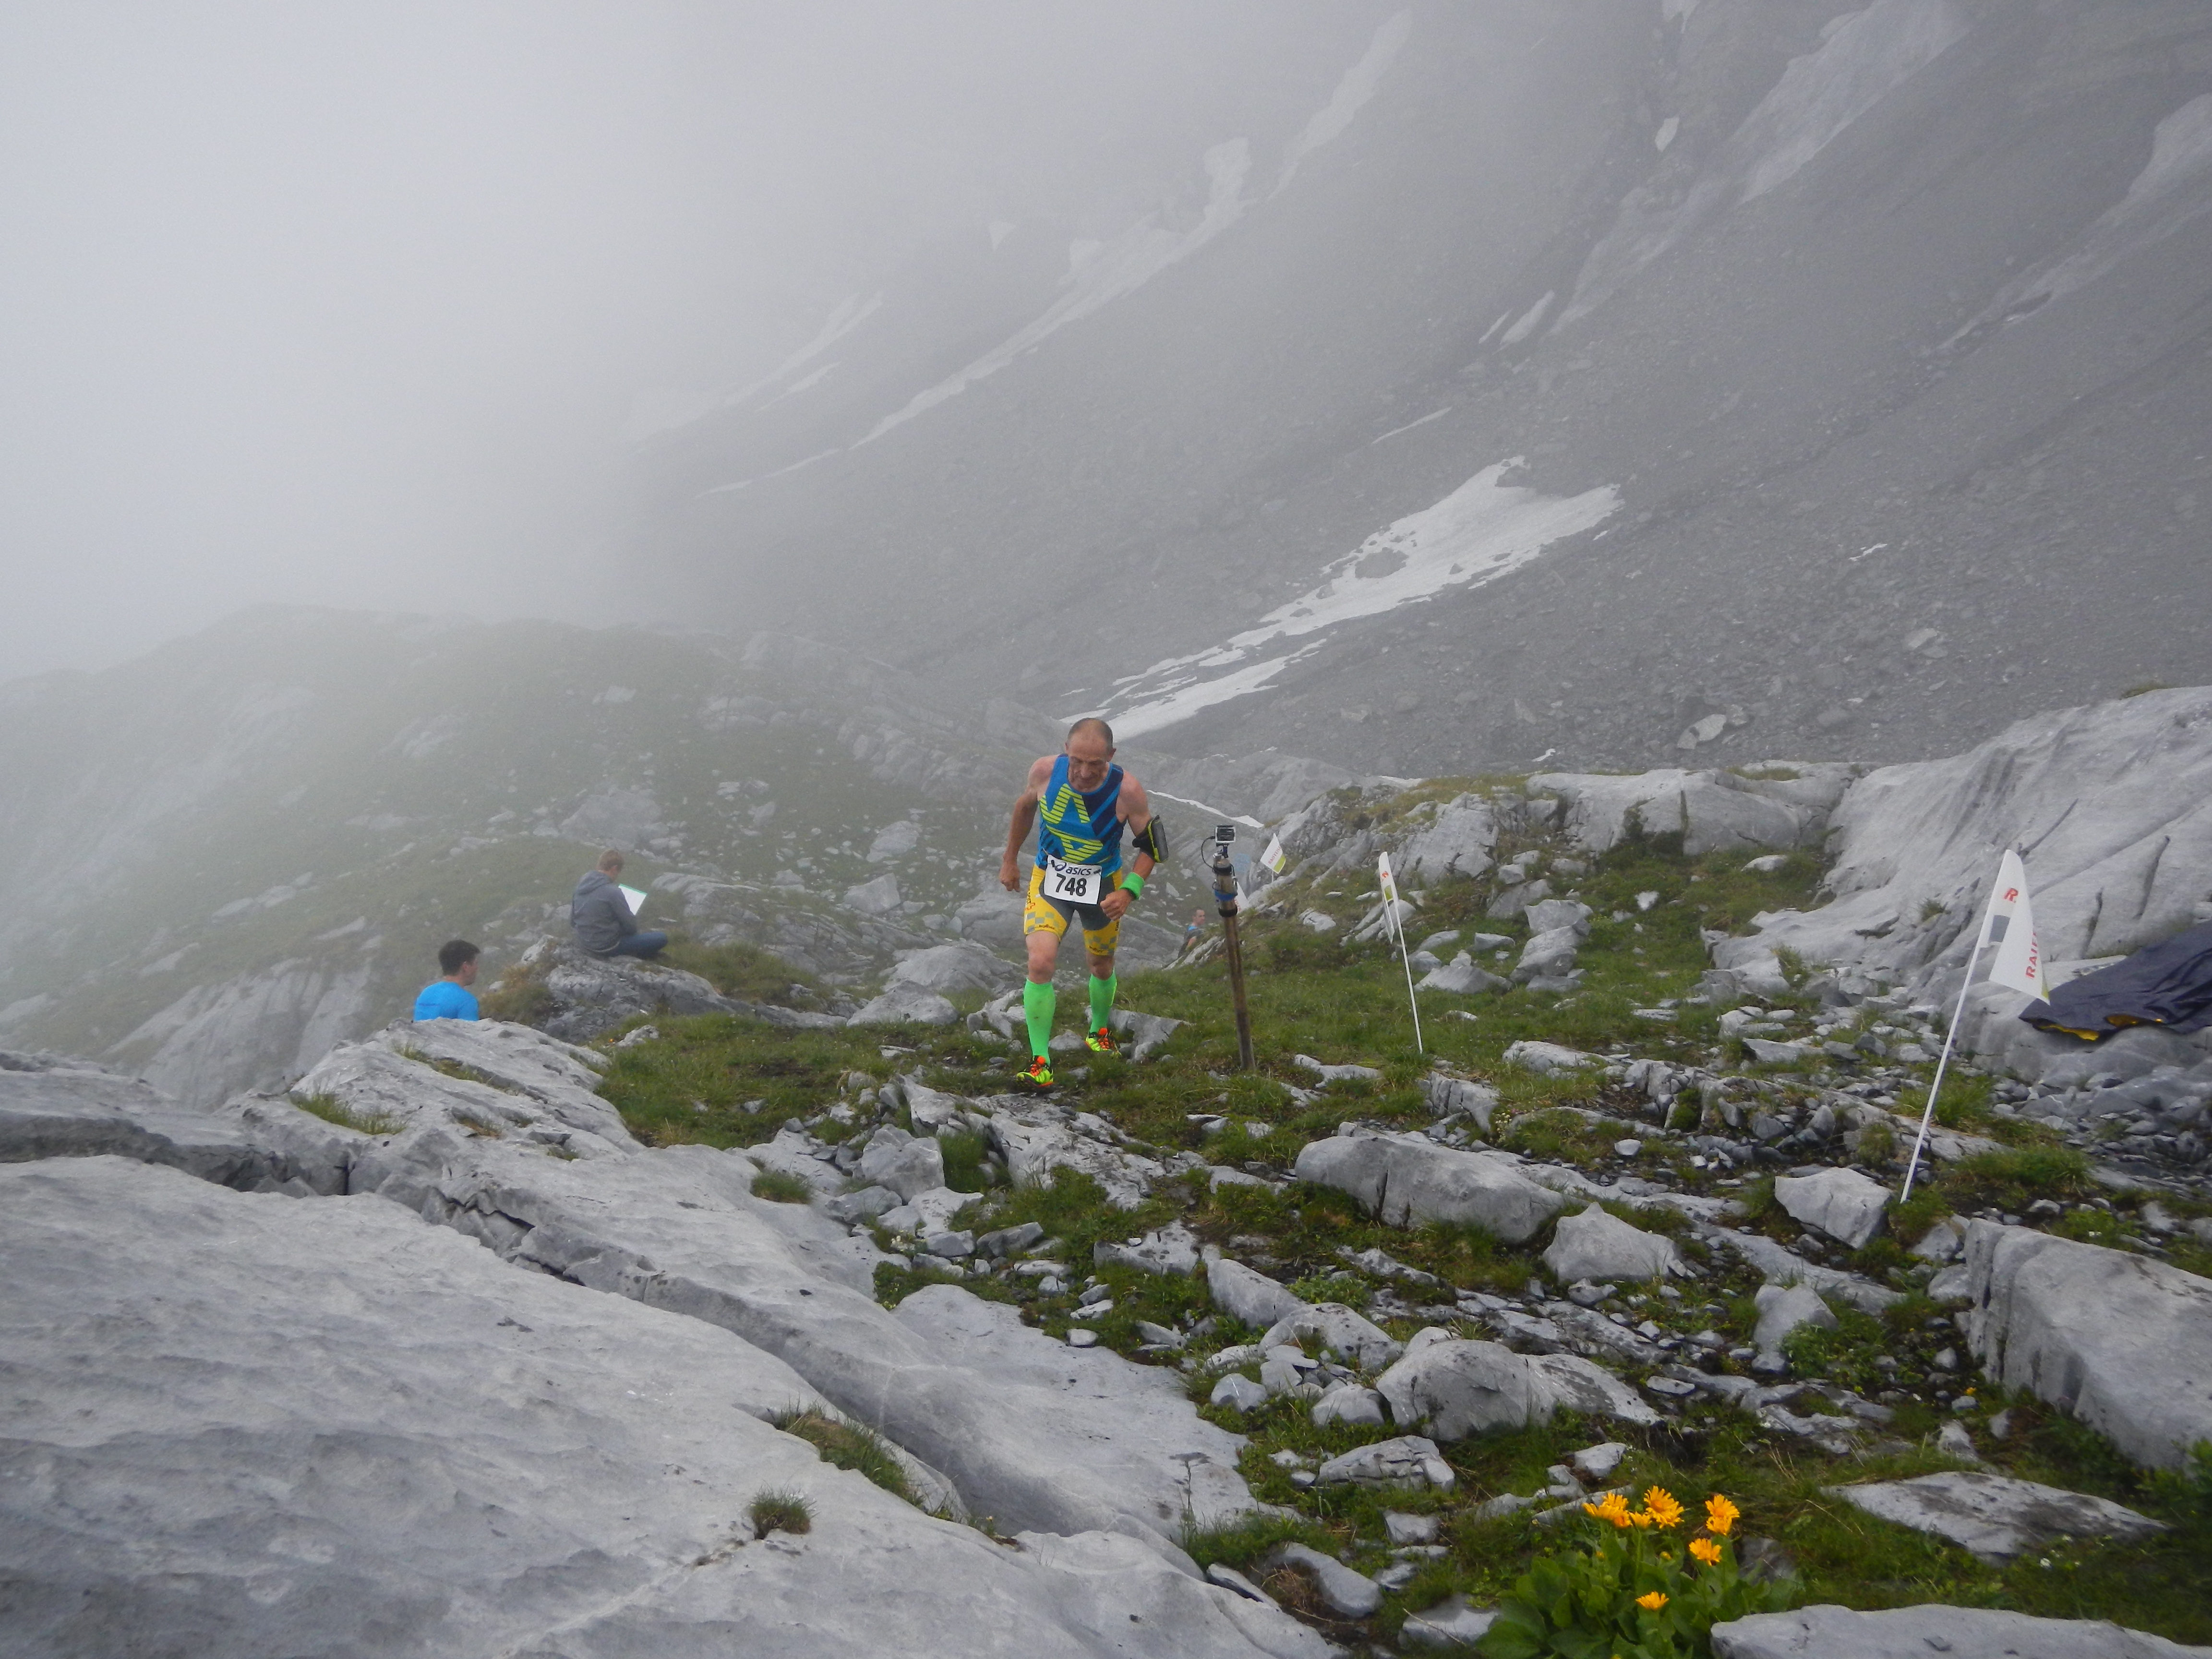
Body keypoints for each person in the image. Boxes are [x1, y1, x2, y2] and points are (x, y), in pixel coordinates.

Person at [997, 716, 1160, 1088]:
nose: (1085, 773)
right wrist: (1010, 860)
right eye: (1077, 762)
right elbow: (1024, 808)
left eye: (1096, 764)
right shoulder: (1044, 772)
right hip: (1049, 880)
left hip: (1103, 888)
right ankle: (1040, 1063)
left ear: (1111, 756)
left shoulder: (1128, 791)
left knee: (1101, 965)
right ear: (1066, 750)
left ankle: (1098, 1031)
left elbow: (1153, 846)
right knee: (1040, 962)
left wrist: (1129, 891)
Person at [571, 850, 668, 960]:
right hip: (607, 947)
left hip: (584, 943)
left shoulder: (580, 887)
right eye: (618, 872)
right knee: (661, 938)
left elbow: (572, 921)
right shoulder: (613, 892)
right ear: (614, 869)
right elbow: (631, 928)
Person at [413, 938, 481, 1021]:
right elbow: (469, 1029)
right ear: (466, 967)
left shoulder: (425, 994)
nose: (477, 968)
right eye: (476, 963)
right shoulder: (467, 1001)